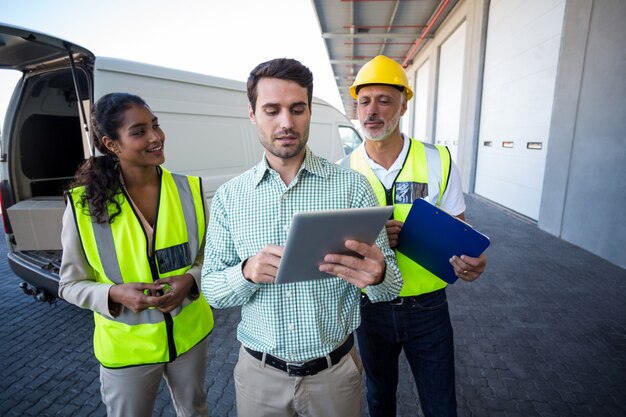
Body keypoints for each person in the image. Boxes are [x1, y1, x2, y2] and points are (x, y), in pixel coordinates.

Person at [201, 58, 403, 417]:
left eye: (297, 109)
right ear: (252, 115)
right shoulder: (230, 197)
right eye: (271, 110)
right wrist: (246, 271)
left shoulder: (352, 188)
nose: (286, 123)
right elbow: (213, 290)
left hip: (334, 376)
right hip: (258, 377)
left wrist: (379, 275)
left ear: (310, 111)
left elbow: (390, 286)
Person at [339, 55, 488, 417]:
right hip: (370, 306)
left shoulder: (438, 160)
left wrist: (470, 261)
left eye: (384, 100)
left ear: (404, 103)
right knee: (379, 400)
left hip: (429, 307)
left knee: (440, 406)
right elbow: (338, 249)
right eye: (364, 101)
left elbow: (460, 231)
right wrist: (373, 243)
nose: (372, 111)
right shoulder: (342, 171)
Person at [58, 92, 214, 417]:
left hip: (189, 339)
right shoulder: (83, 207)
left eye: (155, 125)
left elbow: (211, 259)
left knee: (196, 411)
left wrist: (190, 279)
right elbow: (69, 285)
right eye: (139, 131)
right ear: (111, 144)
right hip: (126, 351)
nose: (156, 137)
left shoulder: (190, 190)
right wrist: (113, 293)